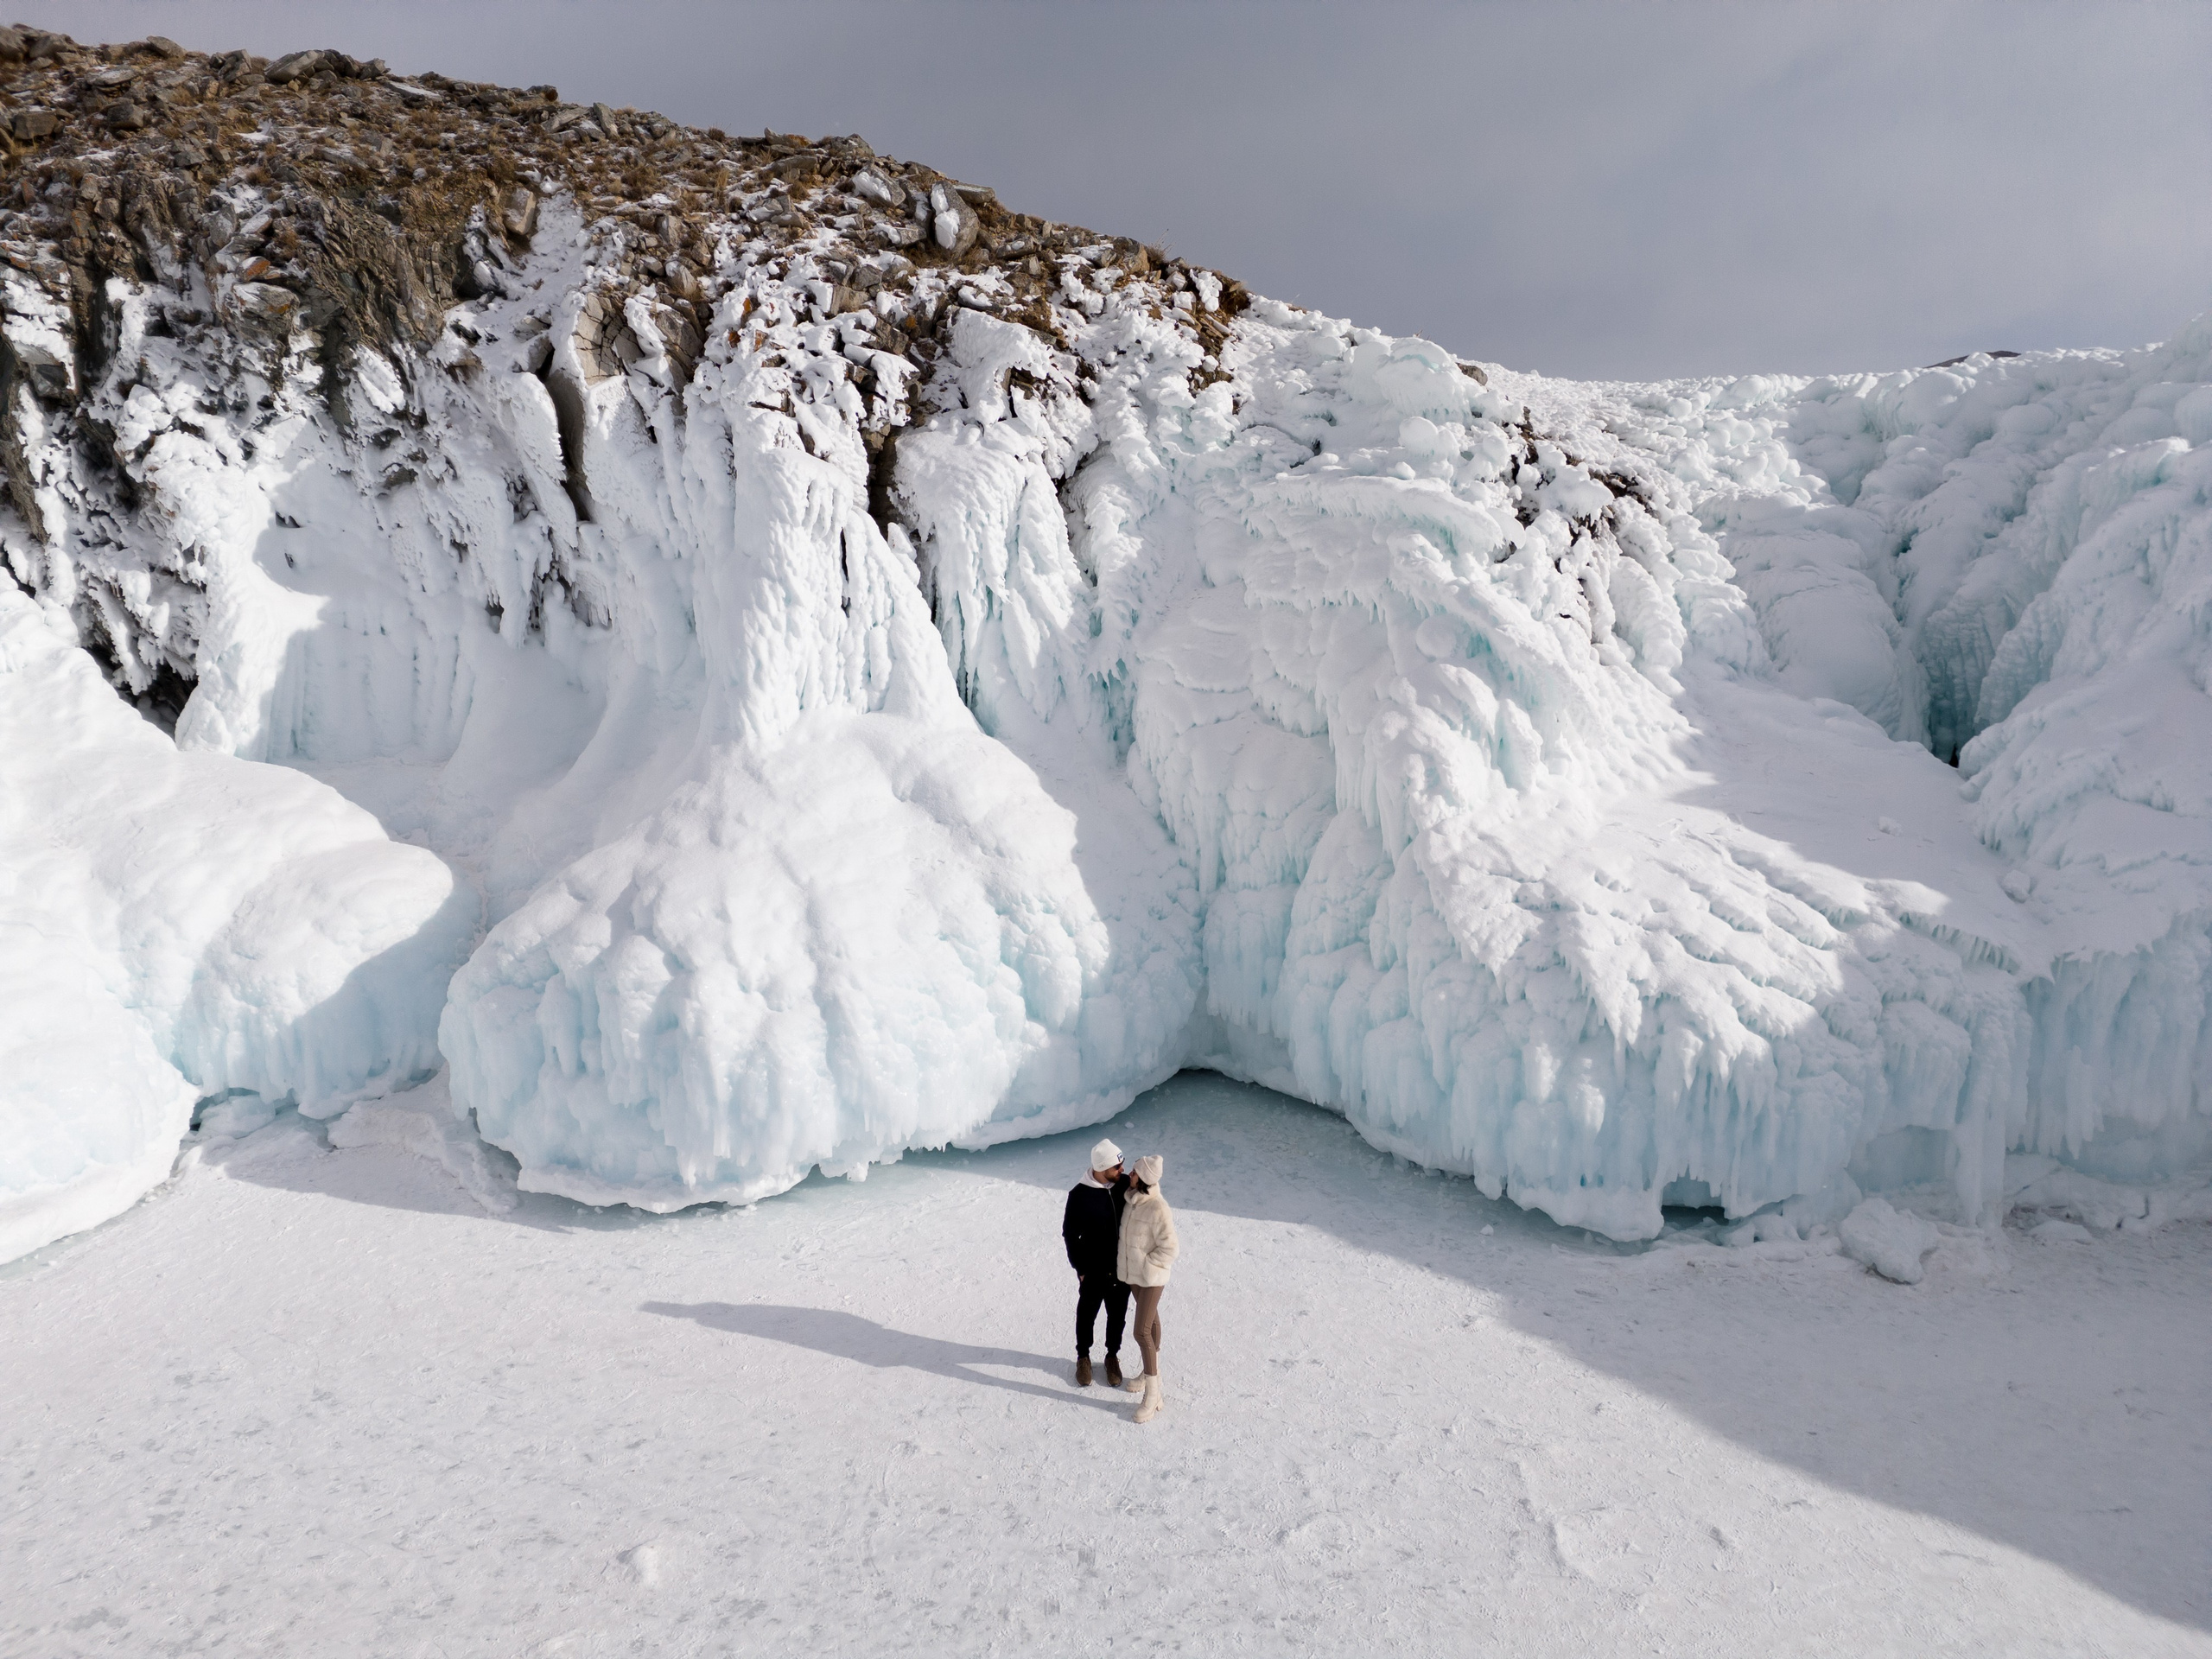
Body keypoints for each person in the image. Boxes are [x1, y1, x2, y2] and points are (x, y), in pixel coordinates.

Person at [1061, 1138, 1130, 1388]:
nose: (1122, 1170)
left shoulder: (1123, 1184)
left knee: (1117, 1315)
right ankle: (1083, 1357)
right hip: (1093, 1270)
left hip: (1122, 1268)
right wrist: (1081, 1269)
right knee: (1087, 1314)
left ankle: (1112, 1356)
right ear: (1102, 1168)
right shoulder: (1079, 1195)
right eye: (1117, 1167)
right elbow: (1070, 1234)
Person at [1116, 1154, 1179, 1424]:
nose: (1129, 1175)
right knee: (1151, 1322)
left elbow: (1170, 1248)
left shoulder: (1158, 1208)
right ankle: (1148, 1371)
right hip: (1134, 1276)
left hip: (1150, 1277)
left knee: (1141, 1331)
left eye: (1134, 1172)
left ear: (1143, 1179)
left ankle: (1153, 1395)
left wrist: (1148, 1266)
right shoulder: (1132, 1199)